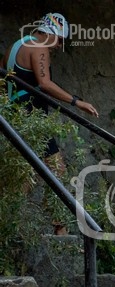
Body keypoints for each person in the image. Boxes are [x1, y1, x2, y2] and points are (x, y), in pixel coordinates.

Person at [1, 12, 99, 234]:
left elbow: (3, 82)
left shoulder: (15, 46)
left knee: (25, 174)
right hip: (33, 120)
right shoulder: (40, 48)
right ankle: (59, 230)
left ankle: (13, 222)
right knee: (55, 169)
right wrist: (76, 102)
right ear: (50, 33)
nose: (59, 46)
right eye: (60, 40)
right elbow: (45, 83)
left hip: (16, 118)